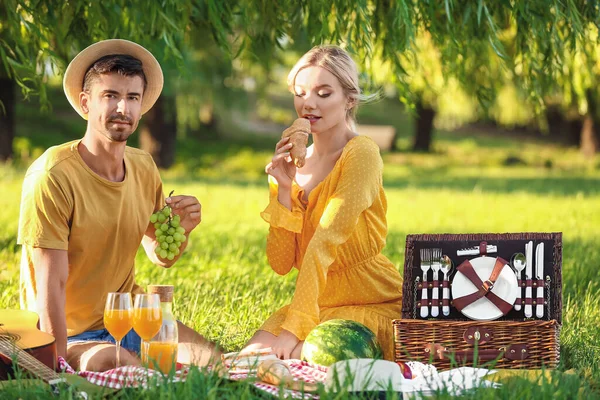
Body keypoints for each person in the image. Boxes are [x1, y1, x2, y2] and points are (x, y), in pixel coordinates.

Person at [17, 39, 220, 372]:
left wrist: (180, 230)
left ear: (142, 106)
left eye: (132, 98)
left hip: (134, 319)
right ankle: (145, 368)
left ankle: (152, 367)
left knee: (211, 361)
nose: (122, 109)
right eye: (110, 96)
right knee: (120, 364)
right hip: (74, 333)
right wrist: (55, 363)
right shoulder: (52, 174)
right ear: (86, 102)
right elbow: (50, 282)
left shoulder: (143, 166)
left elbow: (161, 255)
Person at [244, 45, 403, 361]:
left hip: (371, 302)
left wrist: (293, 331)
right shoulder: (292, 165)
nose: (308, 104)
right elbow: (280, 262)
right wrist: (283, 190)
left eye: (323, 93)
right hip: (316, 302)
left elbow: (324, 240)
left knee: (299, 357)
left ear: (349, 100)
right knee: (254, 358)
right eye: (300, 93)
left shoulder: (362, 154)